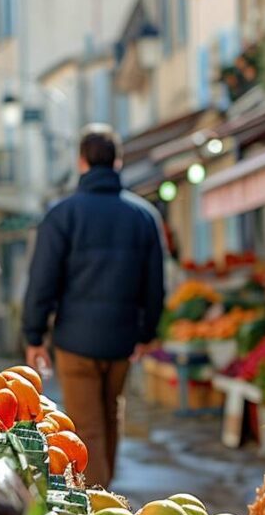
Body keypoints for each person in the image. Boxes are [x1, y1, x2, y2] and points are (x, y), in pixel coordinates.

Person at [22, 124, 165, 488]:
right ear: (118, 161)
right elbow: (155, 285)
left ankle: (98, 504)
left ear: (81, 161)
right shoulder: (144, 216)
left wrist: (34, 334)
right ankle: (106, 493)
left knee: (87, 426)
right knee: (111, 415)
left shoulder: (61, 214)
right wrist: (147, 333)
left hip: (75, 340)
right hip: (121, 339)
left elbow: (42, 280)